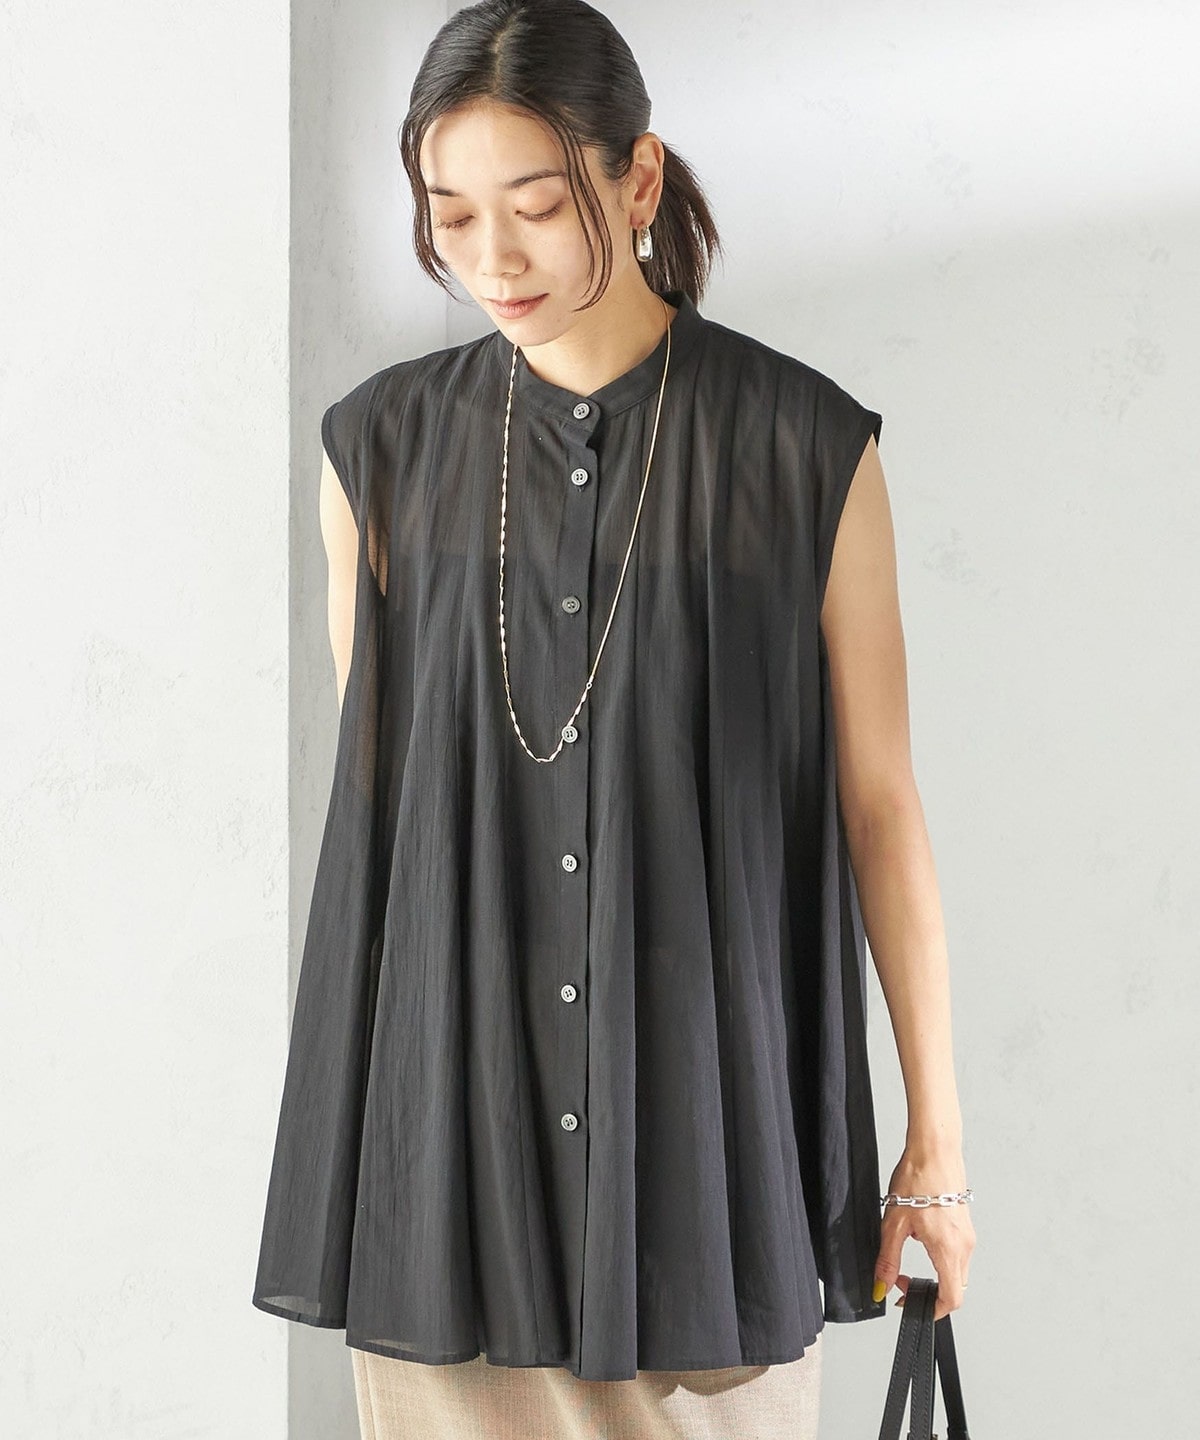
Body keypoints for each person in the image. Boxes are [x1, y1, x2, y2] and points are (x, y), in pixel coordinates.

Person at [252, 2, 976, 1436]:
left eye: (535, 207)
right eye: (451, 215)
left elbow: (881, 807)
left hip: (713, 1164)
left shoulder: (802, 448)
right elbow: (408, 834)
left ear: (638, 178)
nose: (492, 259)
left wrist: (936, 1147)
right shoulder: (378, 455)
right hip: (453, 1171)